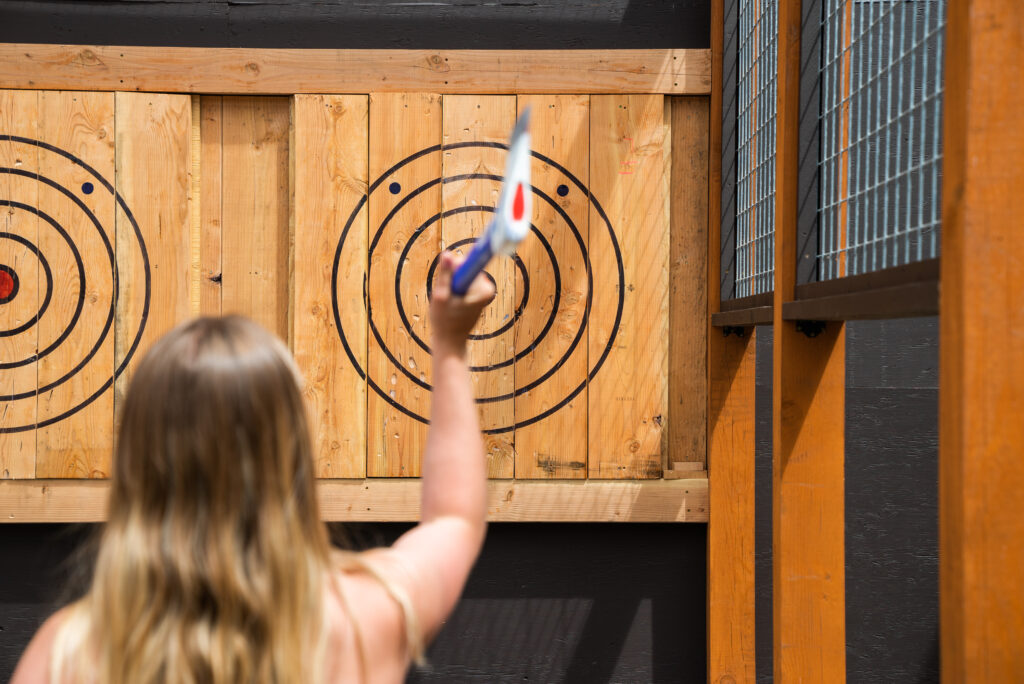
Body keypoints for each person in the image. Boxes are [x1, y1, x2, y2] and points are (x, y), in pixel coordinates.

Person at [12, 252, 496, 683]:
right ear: (290, 457)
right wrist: (450, 343)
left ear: (138, 463)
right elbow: (454, 519)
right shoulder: (368, 614)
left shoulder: (70, 655)